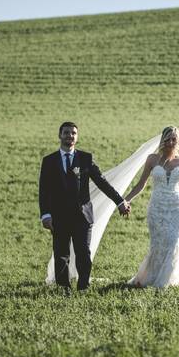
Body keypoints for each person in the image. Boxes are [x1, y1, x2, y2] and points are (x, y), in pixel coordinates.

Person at [39, 121, 130, 291]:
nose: (70, 136)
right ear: (60, 135)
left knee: (83, 254)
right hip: (59, 216)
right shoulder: (49, 161)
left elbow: (102, 183)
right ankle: (63, 289)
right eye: (66, 133)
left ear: (77, 137)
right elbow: (44, 190)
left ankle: (83, 287)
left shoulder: (85, 158)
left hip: (82, 216)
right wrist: (45, 214)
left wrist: (120, 201)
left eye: (73, 133)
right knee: (61, 255)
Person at [124, 125, 179, 287]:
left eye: (175, 139)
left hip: (176, 209)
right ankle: (150, 278)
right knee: (158, 244)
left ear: (178, 141)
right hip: (157, 208)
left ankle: (167, 281)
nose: (171, 142)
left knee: (174, 242)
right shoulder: (152, 159)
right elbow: (141, 184)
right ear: (163, 140)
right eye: (168, 138)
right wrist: (127, 199)